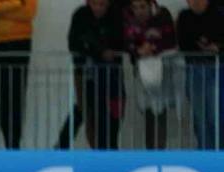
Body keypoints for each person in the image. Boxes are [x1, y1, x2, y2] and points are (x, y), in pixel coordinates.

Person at [58, 0, 127, 150]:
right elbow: (75, 43)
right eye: (94, 4)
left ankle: (108, 151)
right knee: (86, 110)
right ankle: (66, 146)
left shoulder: (116, 15)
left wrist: (94, 48)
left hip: (111, 75)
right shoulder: (81, 15)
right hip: (85, 73)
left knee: (111, 114)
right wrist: (99, 52)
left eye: (102, 4)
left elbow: (119, 42)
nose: (98, 8)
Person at [0, 0, 36, 149]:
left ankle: (14, 143)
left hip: (20, 41)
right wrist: (16, 3)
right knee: (2, 95)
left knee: (17, 95)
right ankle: (8, 144)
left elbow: (29, 12)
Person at [124, 0, 177, 150]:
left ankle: (160, 151)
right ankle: (150, 154)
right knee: (148, 113)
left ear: (150, 5)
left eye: (142, 7)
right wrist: (138, 50)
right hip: (141, 71)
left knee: (160, 111)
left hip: (162, 72)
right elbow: (127, 42)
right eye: (135, 7)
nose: (139, 11)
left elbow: (171, 39)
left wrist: (153, 48)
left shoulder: (162, 14)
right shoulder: (128, 17)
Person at [177, 0, 224, 149]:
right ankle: (205, 154)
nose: (195, 2)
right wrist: (202, 47)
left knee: (215, 116)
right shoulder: (184, 17)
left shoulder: (219, 14)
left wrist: (217, 47)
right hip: (194, 69)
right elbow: (183, 43)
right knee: (199, 118)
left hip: (216, 68)